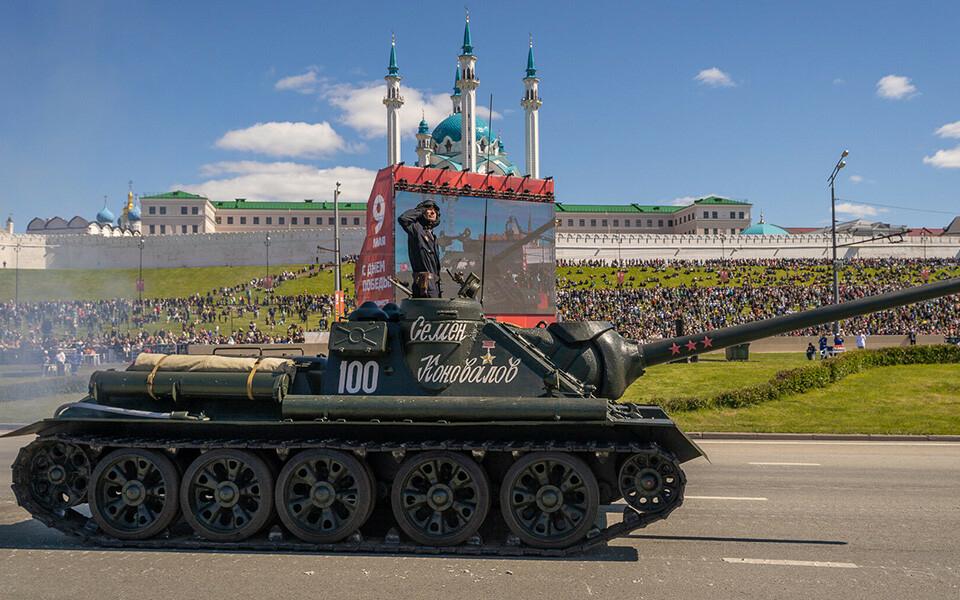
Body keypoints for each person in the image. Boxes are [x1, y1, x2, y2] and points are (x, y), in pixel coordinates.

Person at [398, 199, 442, 298]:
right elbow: (403, 219)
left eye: (434, 211)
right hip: (424, 286)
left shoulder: (433, 236)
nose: (433, 212)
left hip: (435, 286)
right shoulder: (417, 229)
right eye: (429, 209)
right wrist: (421, 210)